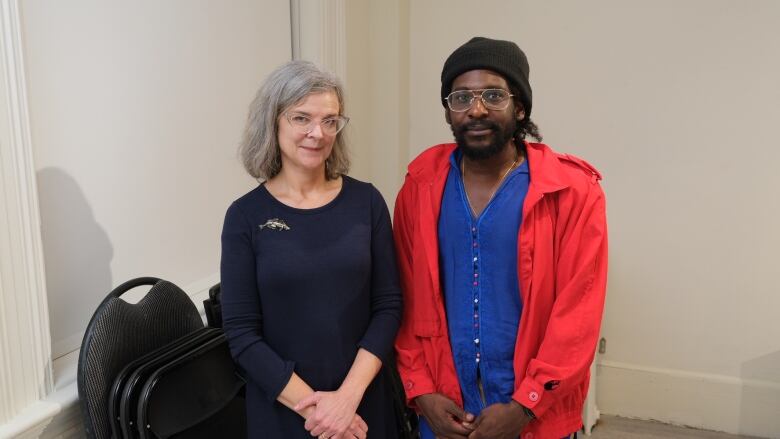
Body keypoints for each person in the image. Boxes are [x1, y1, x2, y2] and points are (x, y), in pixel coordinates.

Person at [393, 37, 608, 439]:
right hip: (445, 411)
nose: (476, 109)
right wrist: (421, 392)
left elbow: (577, 316)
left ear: (520, 107)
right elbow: (406, 299)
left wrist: (526, 405)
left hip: (533, 416)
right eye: (461, 98)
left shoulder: (572, 192)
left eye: (493, 95)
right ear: (447, 112)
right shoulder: (420, 188)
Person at [220, 60, 402, 439]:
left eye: (330, 120)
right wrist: (322, 411)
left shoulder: (366, 203)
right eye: (301, 118)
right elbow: (242, 336)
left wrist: (347, 400)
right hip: (286, 412)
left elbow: (388, 306)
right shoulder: (245, 217)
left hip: (364, 407)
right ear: (274, 122)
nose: (317, 133)